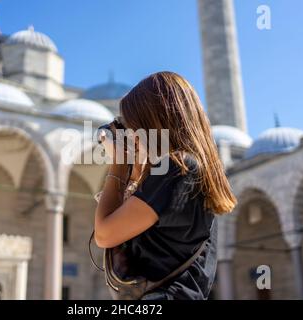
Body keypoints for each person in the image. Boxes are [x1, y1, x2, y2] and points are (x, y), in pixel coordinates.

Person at [94, 71, 236, 300]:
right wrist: (136, 171)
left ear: (152, 120)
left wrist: (119, 164)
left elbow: (105, 234)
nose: (130, 133)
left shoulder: (178, 166)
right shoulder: (186, 169)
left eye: (132, 124)